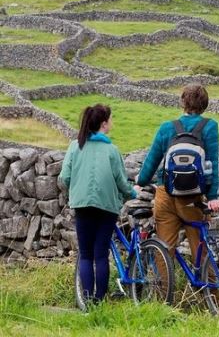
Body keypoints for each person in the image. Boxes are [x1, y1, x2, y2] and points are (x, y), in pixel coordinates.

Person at [59, 104, 138, 306]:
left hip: (82, 204)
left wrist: (76, 189)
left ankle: (87, 301)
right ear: (104, 124)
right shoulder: (112, 150)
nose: (112, 122)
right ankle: (100, 300)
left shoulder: (75, 146)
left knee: (85, 254)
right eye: (111, 119)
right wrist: (133, 193)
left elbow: (64, 177)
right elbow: (121, 181)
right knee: (101, 254)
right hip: (106, 207)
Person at [136, 83, 219, 266]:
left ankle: (163, 292)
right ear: (205, 105)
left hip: (166, 192)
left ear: (183, 102)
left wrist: (140, 182)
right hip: (194, 197)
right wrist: (213, 196)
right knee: (201, 248)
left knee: (164, 249)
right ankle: (210, 292)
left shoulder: (167, 127)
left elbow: (152, 160)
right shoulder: (209, 126)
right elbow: (212, 163)